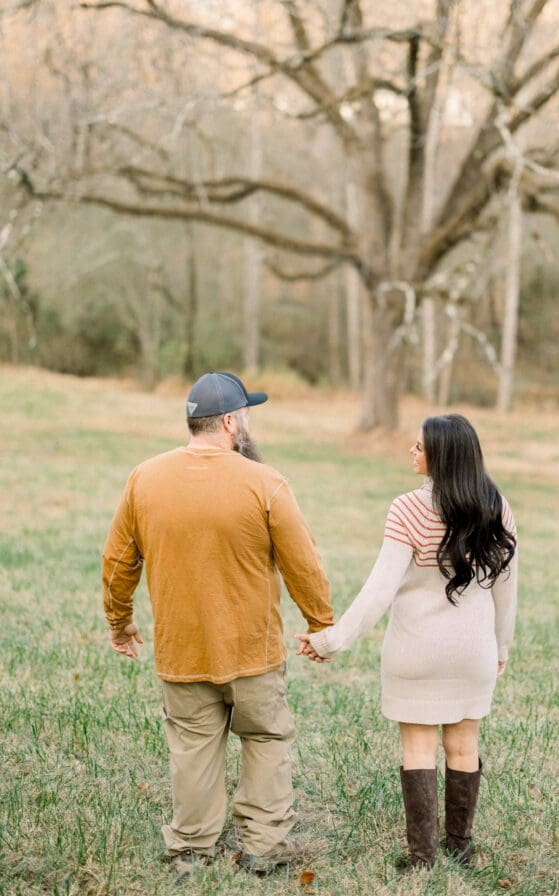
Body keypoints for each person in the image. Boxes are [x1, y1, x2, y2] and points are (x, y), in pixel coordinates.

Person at [102, 371, 334, 881]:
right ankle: (264, 847)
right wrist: (322, 624)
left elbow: (119, 561)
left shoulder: (145, 477)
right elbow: (304, 565)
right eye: (245, 414)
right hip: (252, 650)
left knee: (192, 747)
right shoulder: (266, 482)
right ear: (230, 421)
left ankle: (190, 847)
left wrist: (120, 622)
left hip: (182, 650)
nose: (248, 422)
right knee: (266, 739)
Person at [296, 413, 518, 870]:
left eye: (419, 447)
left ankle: (422, 858)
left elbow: (378, 591)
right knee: (464, 746)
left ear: (443, 455)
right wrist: (501, 647)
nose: (411, 452)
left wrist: (332, 641)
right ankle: (460, 847)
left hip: (415, 654)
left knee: (418, 750)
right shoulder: (496, 507)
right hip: (473, 653)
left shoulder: (407, 509)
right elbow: (506, 590)